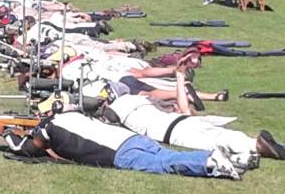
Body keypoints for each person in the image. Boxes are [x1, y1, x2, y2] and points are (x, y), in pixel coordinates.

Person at [0, 112, 252, 180]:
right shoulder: (74, 115)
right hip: (130, 138)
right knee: (169, 156)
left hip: (119, 154)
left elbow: (27, 149)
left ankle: (210, 163)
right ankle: (232, 158)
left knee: (164, 165)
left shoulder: (47, 129)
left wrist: (4, 132)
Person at [105, 64, 285, 160]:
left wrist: (180, 78)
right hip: (172, 127)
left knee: (219, 137)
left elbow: (182, 108)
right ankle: (259, 146)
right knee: (219, 138)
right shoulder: (145, 106)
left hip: (170, 128)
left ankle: (261, 146)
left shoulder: (137, 107)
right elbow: (182, 108)